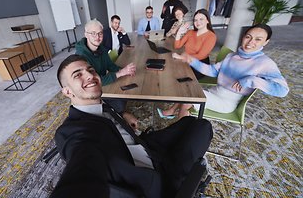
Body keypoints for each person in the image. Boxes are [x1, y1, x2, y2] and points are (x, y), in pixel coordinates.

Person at [51, 54, 213, 198]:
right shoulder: (71, 132)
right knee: (203, 129)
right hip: (154, 179)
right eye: (78, 75)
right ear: (68, 92)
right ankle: (179, 180)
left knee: (194, 123)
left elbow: (104, 120)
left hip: (148, 146)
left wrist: (123, 116)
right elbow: (83, 163)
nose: (89, 76)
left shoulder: (98, 102)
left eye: (90, 70)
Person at [159, 24, 289, 119]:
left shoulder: (264, 63)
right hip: (215, 92)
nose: (250, 42)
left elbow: (283, 90)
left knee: (188, 98)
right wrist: (192, 60)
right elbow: (212, 72)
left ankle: (179, 135)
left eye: (258, 39)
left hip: (226, 102)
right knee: (188, 90)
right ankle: (173, 114)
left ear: (266, 42)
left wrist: (253, 80)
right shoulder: (232, 56)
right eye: (248, 37)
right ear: (243, 37)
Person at [75, 19, 137, 126]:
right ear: (86, 35)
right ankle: (113, 117)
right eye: (93, 34)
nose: (97, 37)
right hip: (90, 91)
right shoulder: (82, 56)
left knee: (124, 92)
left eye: (100, 34)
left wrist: (122, 70)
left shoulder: (101, 47)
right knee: (120, 99)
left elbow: (109, 65)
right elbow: (94, 80)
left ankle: (115, 113)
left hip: (100, 84)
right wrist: (120, 73)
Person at [171, 9, 217, 80]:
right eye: (195, 20)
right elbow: (177, 46)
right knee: (172, 70)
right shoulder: (191, 32)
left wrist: (181, 57)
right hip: (187, 61)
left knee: (178, 76)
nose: (198, 22)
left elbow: (200, 56)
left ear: (207, 21)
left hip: (199, 65)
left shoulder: (211, 36)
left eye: (201, 19)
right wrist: (179, 32)